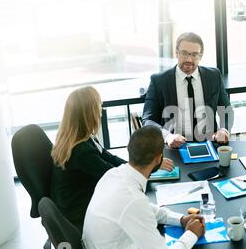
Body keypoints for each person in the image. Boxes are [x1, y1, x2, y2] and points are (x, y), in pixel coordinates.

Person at [82, 126, 205, 249]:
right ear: (159, 158)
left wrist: (180, 219)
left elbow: (143, 208)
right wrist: (192, 234)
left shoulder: (113, 174)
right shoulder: (133, 201)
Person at [50, 86, 174, 231]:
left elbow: (111, 158)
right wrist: (148, 166)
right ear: (89, 114)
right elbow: (114, 176)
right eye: (98, 107)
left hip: (84, 199)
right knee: (142, 213)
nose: (101, 112)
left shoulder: (80, 138)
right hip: (81, 212)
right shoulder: (81, 151)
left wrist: (140, 164)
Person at [142, 32, 233, 148]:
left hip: (210, 143)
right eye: (184, 53)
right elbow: (147, 120)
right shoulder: (159, 81)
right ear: (176, 53)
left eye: (194, 54)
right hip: (175, 146)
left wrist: (224, 129)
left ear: (201, 56)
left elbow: (226, 109)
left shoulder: (214, 76)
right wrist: (168, 136)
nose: (189, 59)